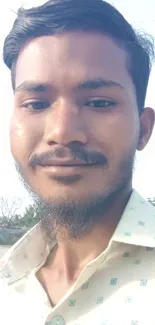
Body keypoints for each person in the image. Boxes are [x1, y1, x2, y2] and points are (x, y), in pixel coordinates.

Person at [0, 0, 155, 324]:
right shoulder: (8, 282)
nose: (63, 132)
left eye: (99, 102)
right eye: (37, 103)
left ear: (143, 130)